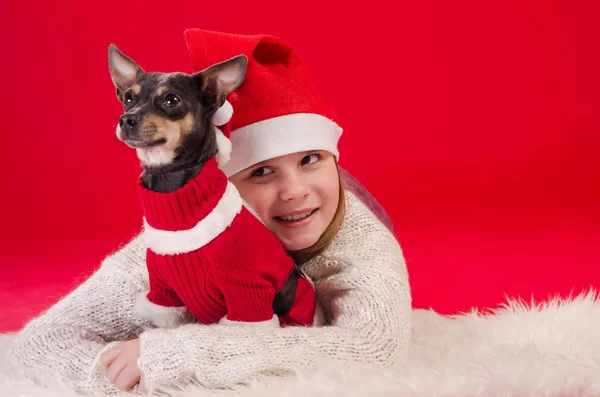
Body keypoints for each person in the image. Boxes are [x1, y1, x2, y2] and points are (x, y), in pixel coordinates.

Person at [3, 29, 411, 395]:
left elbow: (372, 347)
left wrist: (172, 355)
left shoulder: (363, 240)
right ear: (222, 180)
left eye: (311, 159)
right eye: (262, 171)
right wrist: (119, 374)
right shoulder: (180, 236)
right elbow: (40, 342)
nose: (294, 192)